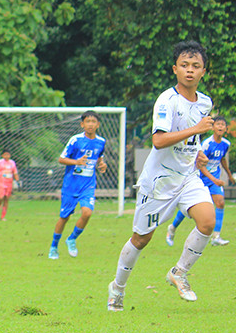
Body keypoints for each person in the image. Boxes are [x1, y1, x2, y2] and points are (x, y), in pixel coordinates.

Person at [107, 40, 215, 312]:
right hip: (158, 183)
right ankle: (117, 289)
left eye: (196, 66)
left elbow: (192, 137)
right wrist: (196, 130)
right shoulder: (166, 100)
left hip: (187, 177)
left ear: (204, 71)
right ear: (175, 69)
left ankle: (179, 272)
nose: (190, 70)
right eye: (184, 65)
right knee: (142, 238)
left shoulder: (205, 102)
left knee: (207, 222)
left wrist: (198, 150)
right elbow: (159, 140)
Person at [164, 116, 232, 247]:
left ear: (226, 128)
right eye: (218, 124)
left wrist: (229, 175)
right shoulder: (206, 144)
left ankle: (216, 237)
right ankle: (172, 228)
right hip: (200, 179)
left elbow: (222, 159)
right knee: (189, 207)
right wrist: (214, 179)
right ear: (212, 127)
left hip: (214, 180)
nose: (220, 127)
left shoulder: (226, 144)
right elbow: (200, 164)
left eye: (223, 125)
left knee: (220, 203)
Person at [48, 111, 108, 259]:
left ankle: (72, 238)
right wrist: (76, 162)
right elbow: (61, 159)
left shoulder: (101, 142)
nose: (90, 124)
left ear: (98, 124)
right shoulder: (75, 140)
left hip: (88, 185)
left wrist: (102, 165)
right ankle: (54, 246)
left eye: (93, 121)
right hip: (71, 185)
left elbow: (99, 158)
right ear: (82, 124)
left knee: (87, 212)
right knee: (65, 217)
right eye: (87, 121)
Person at [0, 150, 19, 221]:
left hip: (9, 182)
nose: (6, 156)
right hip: (1, 181)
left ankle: (3, 216)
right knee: (0, 198)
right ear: (2, 155)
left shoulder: (12, 163)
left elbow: (15, 172)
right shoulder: (0, 162)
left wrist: (17, 180)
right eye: (5, 155)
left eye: (8, 155)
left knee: (6, 198)